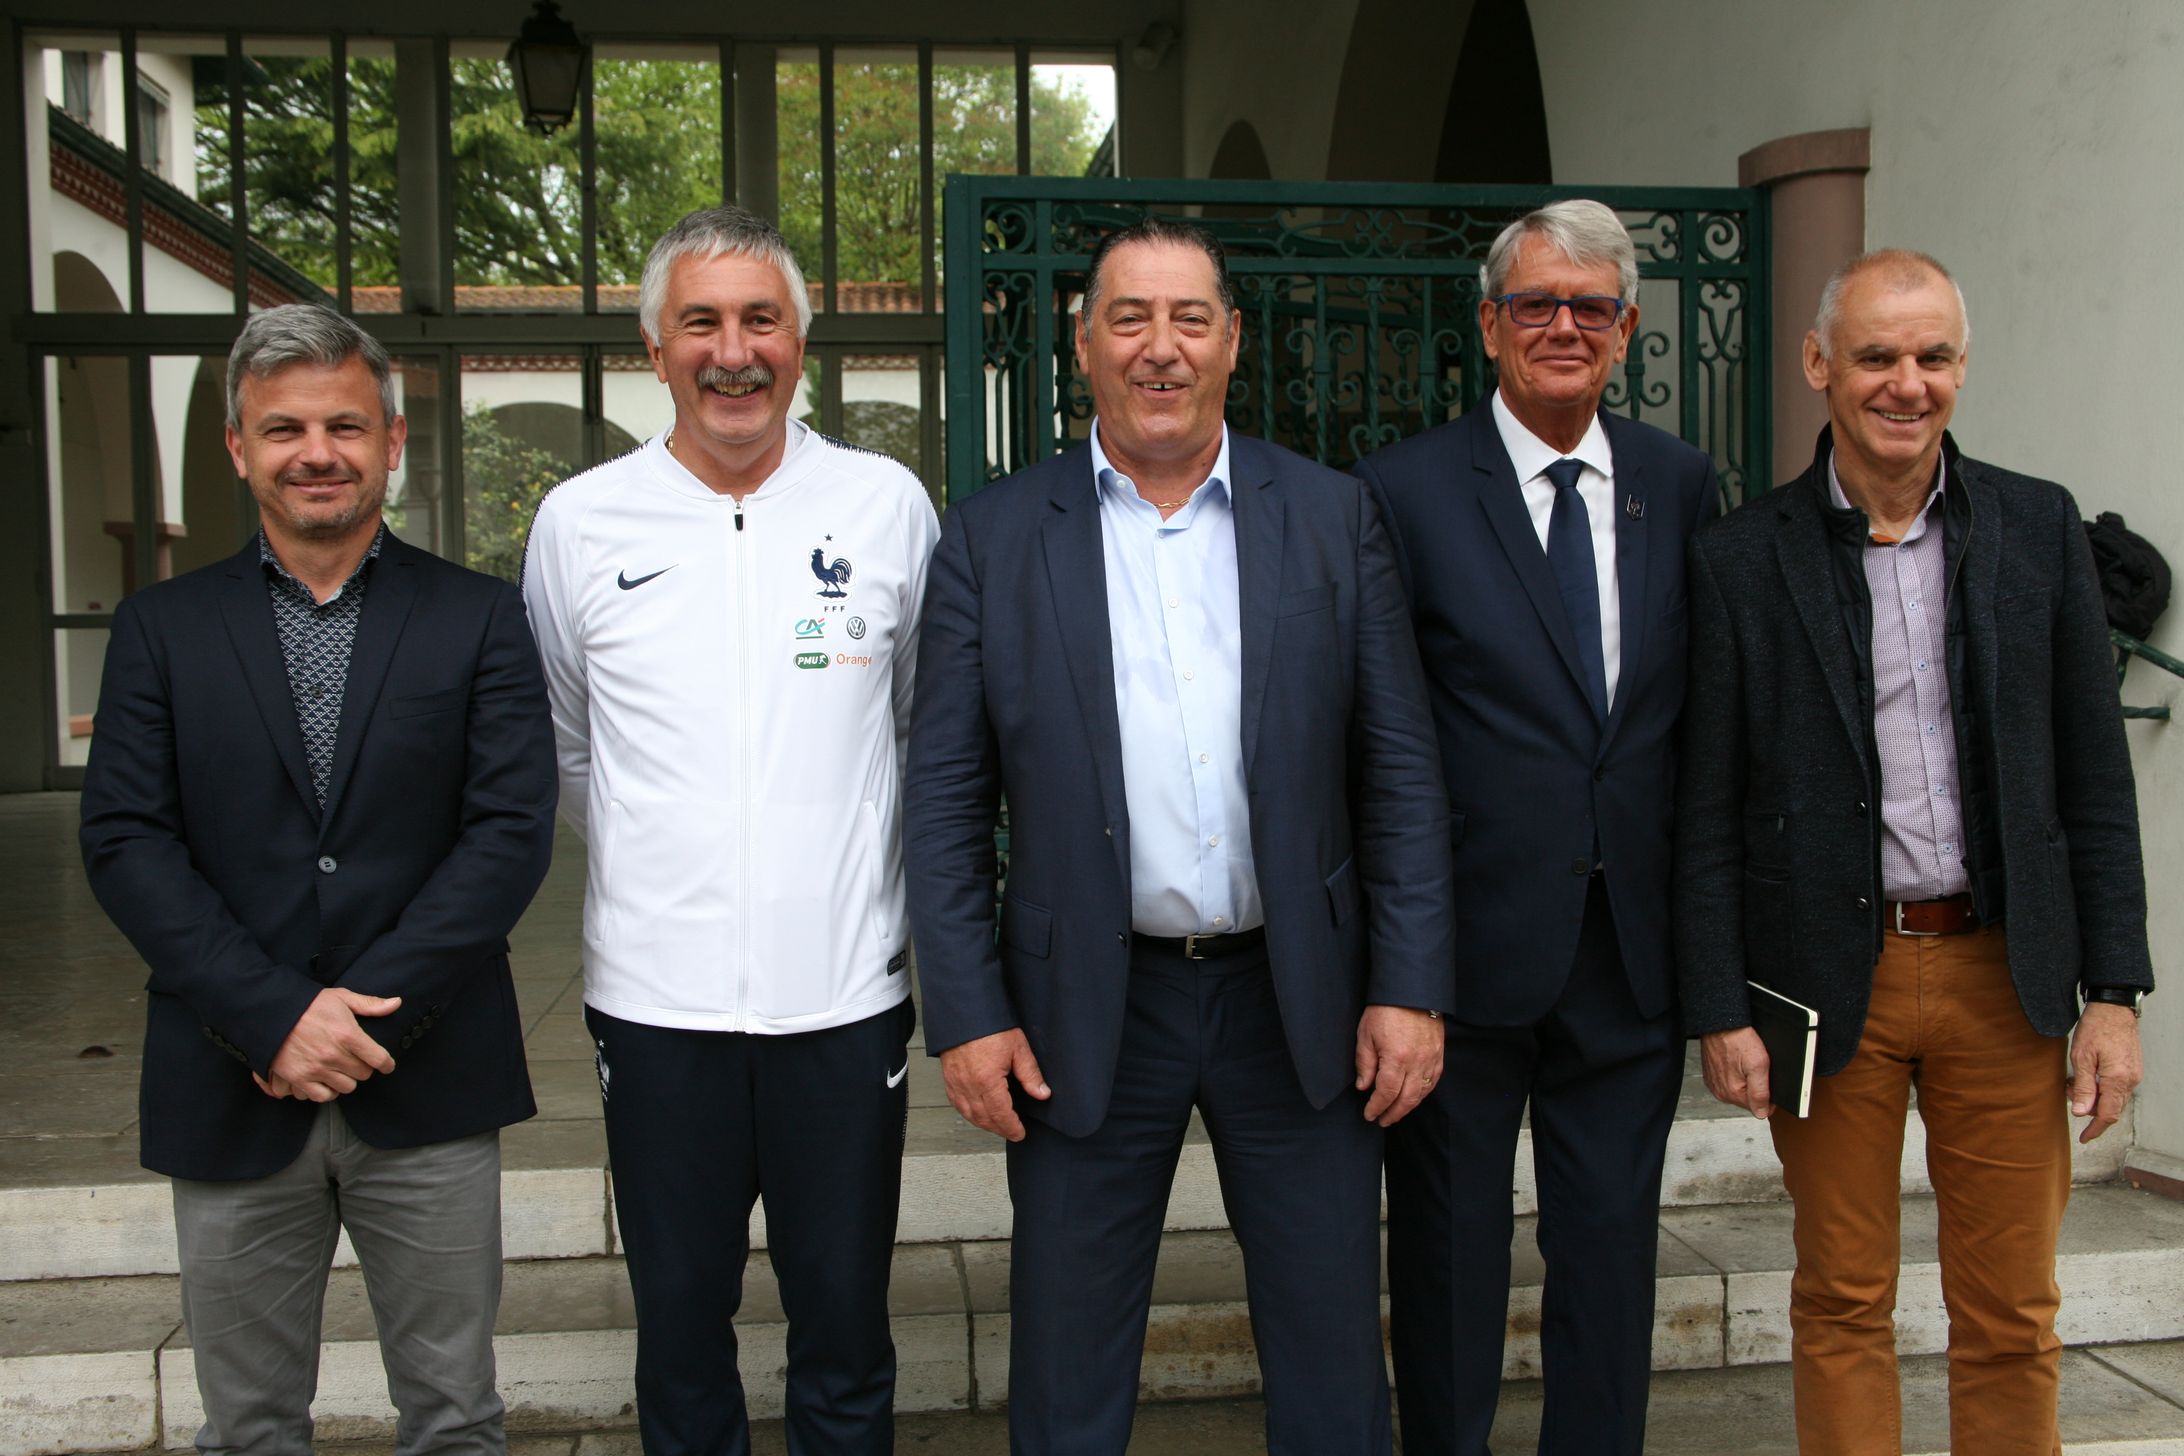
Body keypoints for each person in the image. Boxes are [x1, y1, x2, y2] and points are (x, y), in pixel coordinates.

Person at [903, 216, 1456, 1456]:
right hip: (1079, 1006)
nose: (1163, 349)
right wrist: (970, 1009)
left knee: (1329, 1361)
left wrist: (1412, 985)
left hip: (1296, 996)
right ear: (1083, 341)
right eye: (1133, 320)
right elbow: (941, 794)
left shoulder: (1327, 517)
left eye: (1190, 320)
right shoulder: (993, 540)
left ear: (1232, 343)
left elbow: (1400, 769)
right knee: (1067, 1364)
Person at [1675, 249, 2152, 1454]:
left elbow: (2093, 780)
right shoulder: (1741, 559)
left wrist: (2117, 993)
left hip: (2008, 971)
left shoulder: (2037, 524)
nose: (1907, 382)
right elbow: (1706, 805)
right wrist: (1718, 1002)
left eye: (1932, 355)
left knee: (2013, 1308)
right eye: (1879, 355)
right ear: (1819, 364)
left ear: (1961, 367)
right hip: (1831, 982)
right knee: (1840, 1299)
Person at [79, 304, 559, 1455]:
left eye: (345, 424)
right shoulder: (161, 629)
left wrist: (360, 1013)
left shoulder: (482, 618)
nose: (317, 452)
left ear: (393, 441)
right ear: (239, 448)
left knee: (454, 1416)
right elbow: (126, 840)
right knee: (247, 1424)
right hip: (229, 1075)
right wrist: (276, 1017)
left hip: (429, 1075)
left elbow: (507, 832)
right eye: (283, 427)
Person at [521, 205, 940, 1455]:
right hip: (656, 1011)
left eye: (762, 319)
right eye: (700, 321)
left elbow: (918, 739)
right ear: (655, 349)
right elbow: (567, 749)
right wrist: (677, 867)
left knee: (847, 1336)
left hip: (844, 1003)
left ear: (802, 342)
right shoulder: (581, 522)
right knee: (682, 1335)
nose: (733, 350)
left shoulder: (885, 507)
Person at [1355, 199, 1722, 1456]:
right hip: (1460, 958)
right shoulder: (1400, 492)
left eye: (1591, 307)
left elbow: (1694, 723)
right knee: (1451, 1265)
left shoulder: (1679, 486)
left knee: (1612, 1265)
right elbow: (1377, 738)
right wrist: (1395, 964)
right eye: (1535, 304)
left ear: (1626, 331)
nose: (1563, 326)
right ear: (1490, 326)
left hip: (1628, 952)